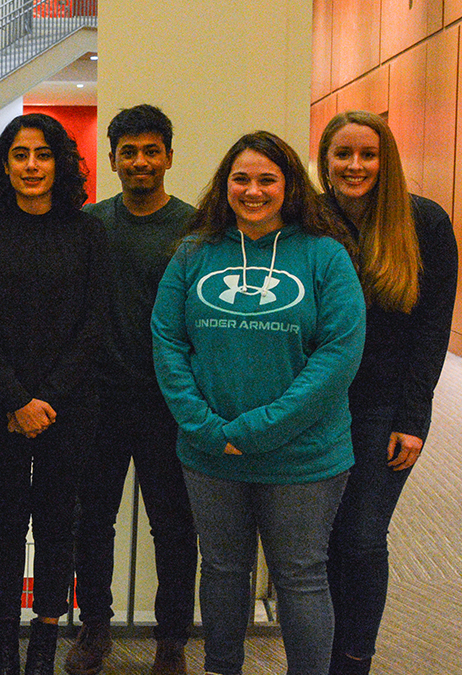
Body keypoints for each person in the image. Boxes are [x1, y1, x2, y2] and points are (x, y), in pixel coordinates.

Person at [151, 131, 365, 675]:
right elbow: (168, 340)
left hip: (304, 456)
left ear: (290, 186)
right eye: (241, 179)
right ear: (225, 186)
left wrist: (254, 430)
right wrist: (203, 424)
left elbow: (337, 356)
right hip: (209, 449)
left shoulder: (325, 255)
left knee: (300, 576)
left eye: (267, 179)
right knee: (222, 571)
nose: (253, 190)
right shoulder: (194, 251)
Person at [0, 113, 108, 675]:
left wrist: (47, 399)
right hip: (1, 408)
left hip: (70, 408)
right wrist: (17, 400)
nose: (31, 166)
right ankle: (4, 646)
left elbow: (95, 324)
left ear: (60, 162)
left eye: (42, 155)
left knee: (55, 523)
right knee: (5, 523)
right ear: (5, 165)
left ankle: (44, 641)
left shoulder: (89, 230)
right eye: (19, 156)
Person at [317, 111, 458, 675]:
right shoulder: (308, 222)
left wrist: (415, 416)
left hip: (384, 408)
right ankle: (321, 655)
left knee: (360, 538)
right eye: (343, 154)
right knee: (320, 543)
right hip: (318, 407)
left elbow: (432, 329)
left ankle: (355, 658)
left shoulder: (424, 221)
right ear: (325, 161)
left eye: (368, 154)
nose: (355, 166)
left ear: (386, 160)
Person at [68, 104, 197, 675]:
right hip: (97, 402)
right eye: (129, 152)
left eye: (152, 151)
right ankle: (94, 628)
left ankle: (172, 640)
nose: (141, 161)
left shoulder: (196, 231)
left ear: (169, 156)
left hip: (169, 404)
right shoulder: (90, 225)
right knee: (90, 521)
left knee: (172, 524)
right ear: (114, 159)